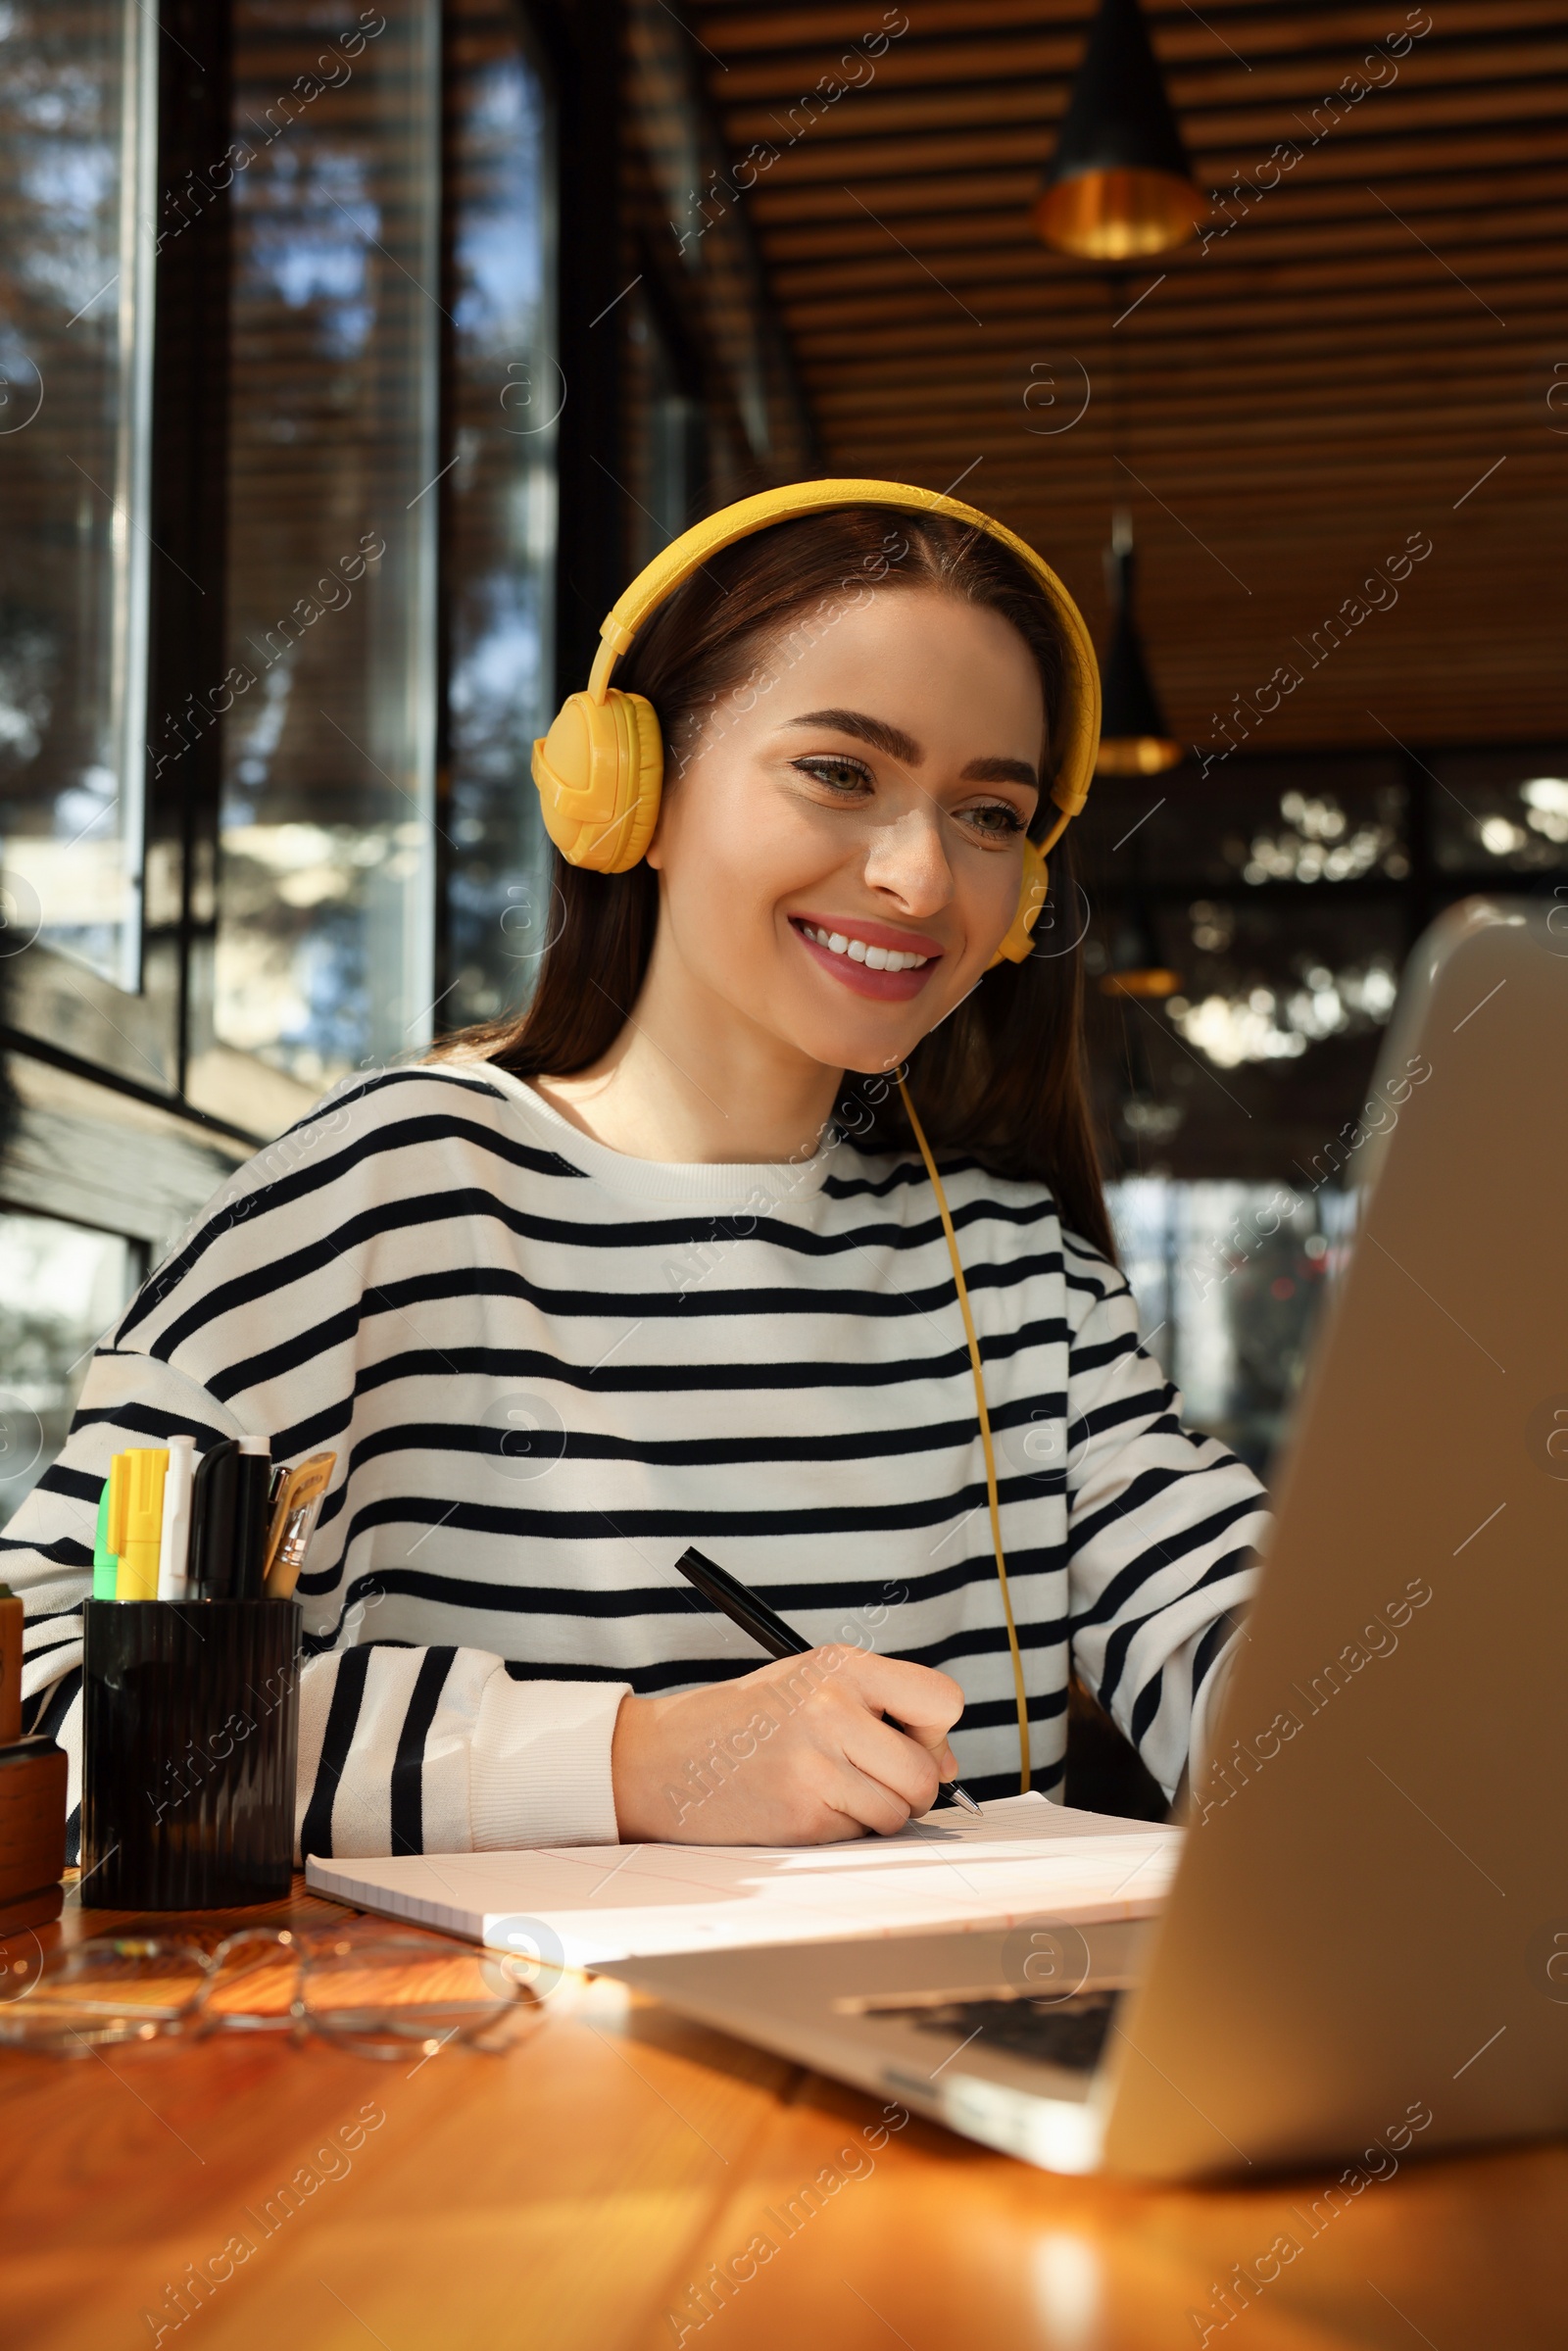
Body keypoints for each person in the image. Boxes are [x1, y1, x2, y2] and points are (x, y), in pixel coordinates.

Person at [1, 484, 1268, 1862]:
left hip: (935, 2067)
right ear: (636, 793)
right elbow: (50, 1706)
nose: (920, 877)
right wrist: (631, 1762)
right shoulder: (384, 1194)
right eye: (841, 773)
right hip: (465, 2074)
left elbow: (1263, 1656)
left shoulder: (1025, 1277)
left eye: (988, 814)